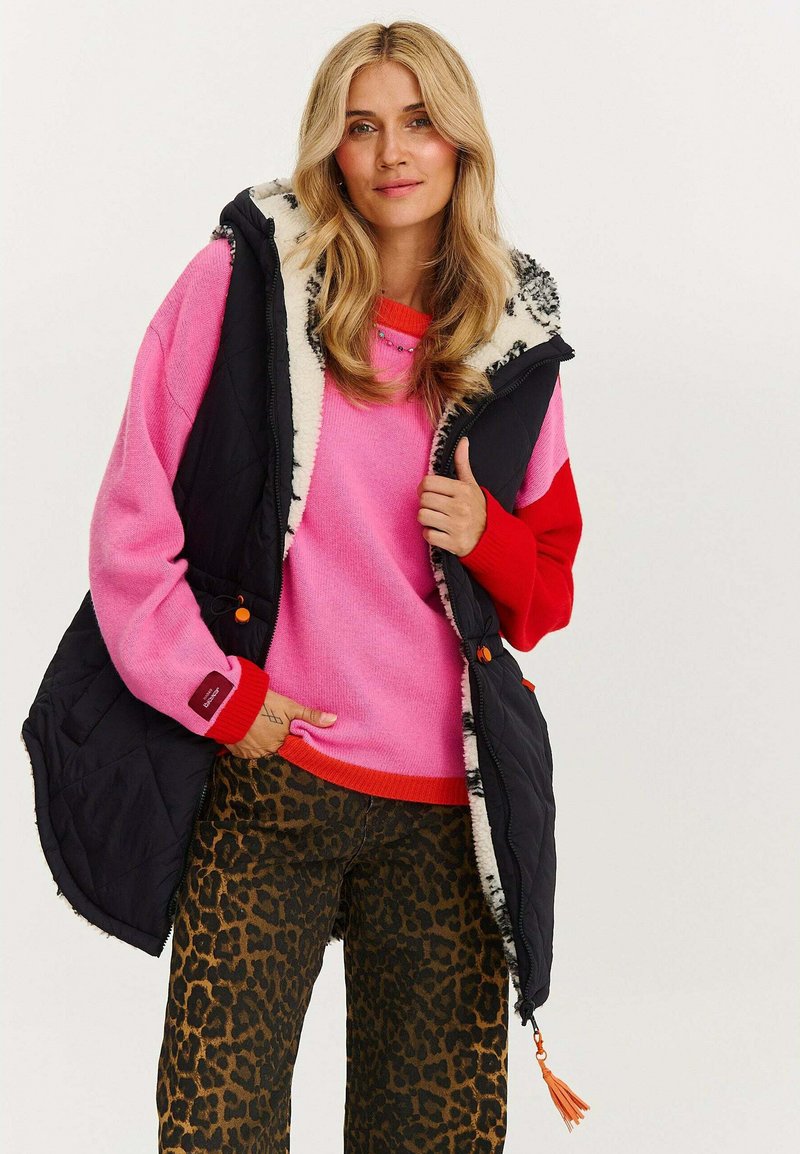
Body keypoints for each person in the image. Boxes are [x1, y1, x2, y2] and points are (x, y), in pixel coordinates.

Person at [83, 21, 586, 1152]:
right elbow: (130, 529)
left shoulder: (512, 344)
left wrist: (488, 535)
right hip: (270, 783)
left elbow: (547, 592)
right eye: (362, 126)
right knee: (212, 1130)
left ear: (461, 144)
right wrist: (221, 695)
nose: (393, 152)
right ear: (330, 148)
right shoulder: (243, 287)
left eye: (419, 122)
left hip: (444, 814)